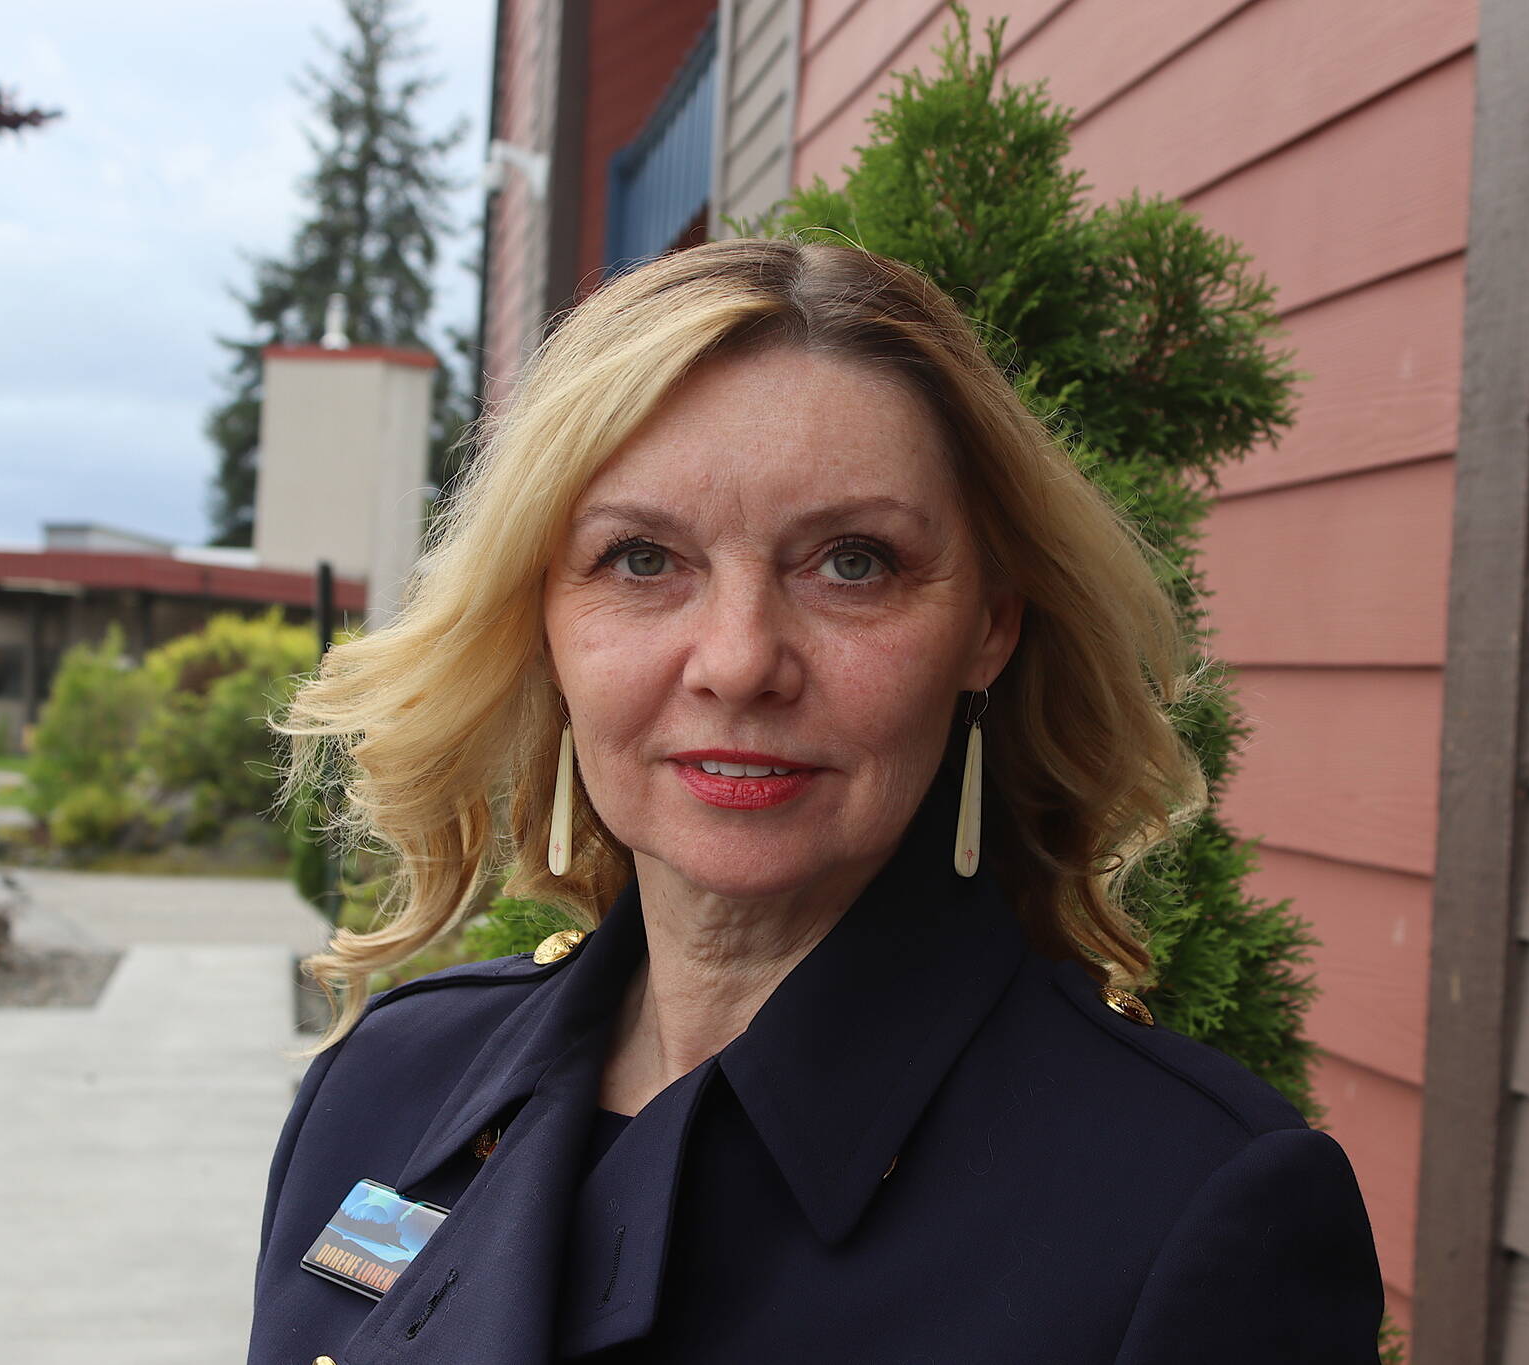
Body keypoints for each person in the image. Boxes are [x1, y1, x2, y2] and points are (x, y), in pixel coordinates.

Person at [247, 237, 1386, 1364]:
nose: (738, 662)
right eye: (642, 559)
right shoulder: (386, 1085)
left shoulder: (1183, 1205)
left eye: (852, 562)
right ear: (540, 616)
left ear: (988, 625)